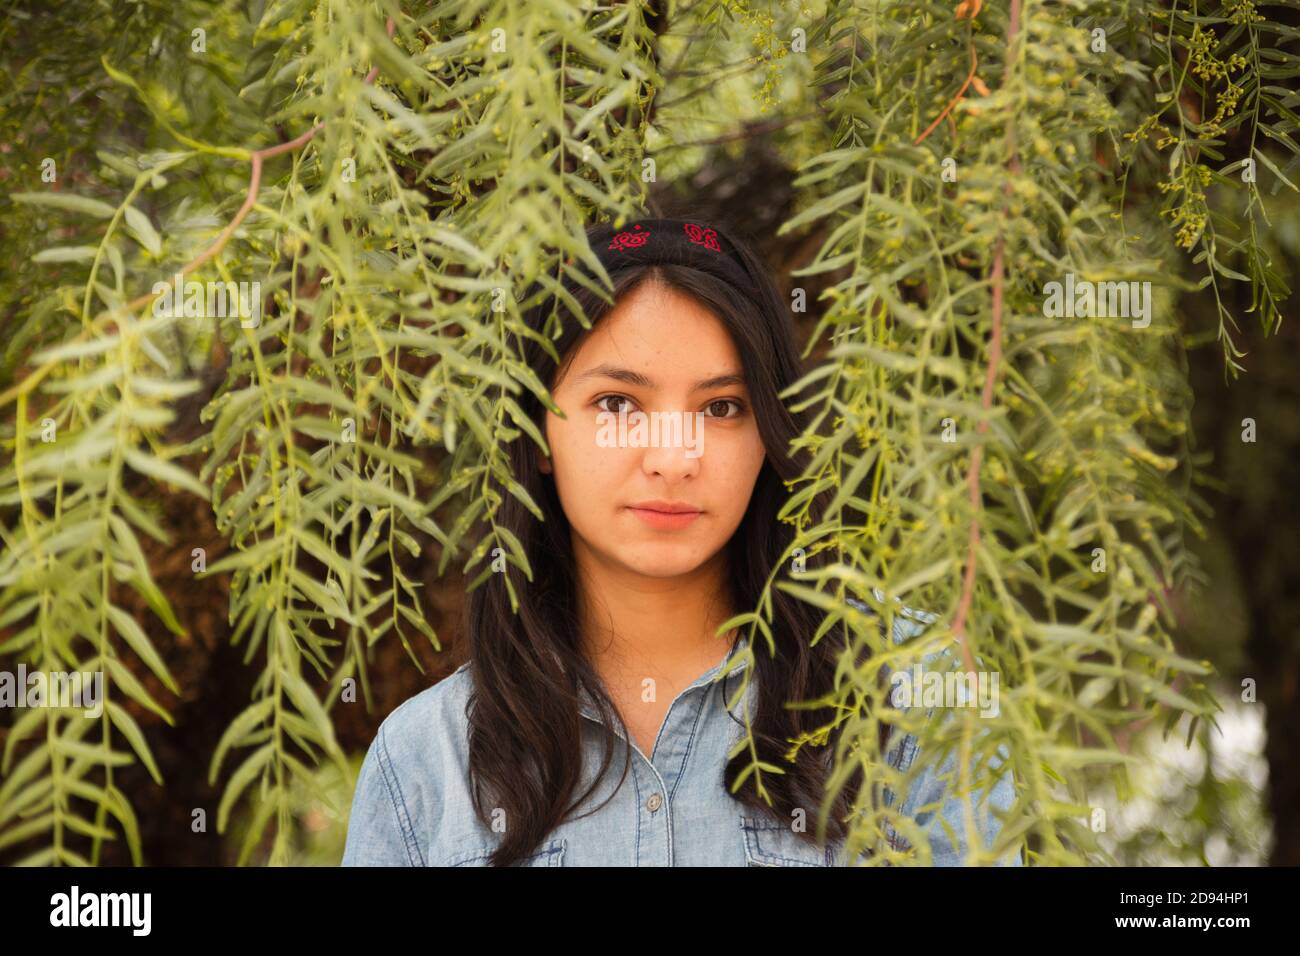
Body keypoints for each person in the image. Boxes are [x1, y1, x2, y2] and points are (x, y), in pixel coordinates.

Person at [341, 217, 1019, 866]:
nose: (674, 457)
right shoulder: (426, 761)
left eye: (721, 408)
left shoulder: (915, 698)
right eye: (618, 404)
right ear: (539, 432)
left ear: (771, 434)